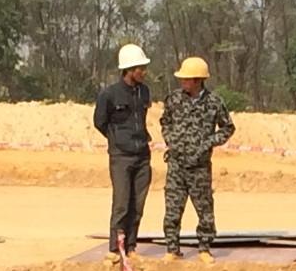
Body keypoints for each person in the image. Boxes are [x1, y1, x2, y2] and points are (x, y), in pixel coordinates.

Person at [160, 56, 234, 259]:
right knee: (172, 208)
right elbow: (165, 122)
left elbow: (227, 128)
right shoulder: (173, 100)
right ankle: (172, 249)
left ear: (198, 80)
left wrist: (209, 143)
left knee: (204, 209)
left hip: (199, 167)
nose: (182, 82)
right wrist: (170, 139)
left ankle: (204, 248)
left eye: (186, 79)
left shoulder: (214, 102)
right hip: (176, 165)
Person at [92, 43, 154, 257]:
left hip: (142, 155)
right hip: (121, 157)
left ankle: (131, 246)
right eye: (140, 68)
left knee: (138, 204)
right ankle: (115, 249)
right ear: (128, 69)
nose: (143, 72)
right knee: (121, 203)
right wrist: (118, 141)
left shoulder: (144, 92)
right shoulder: (109, 94)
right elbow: (100, 122)